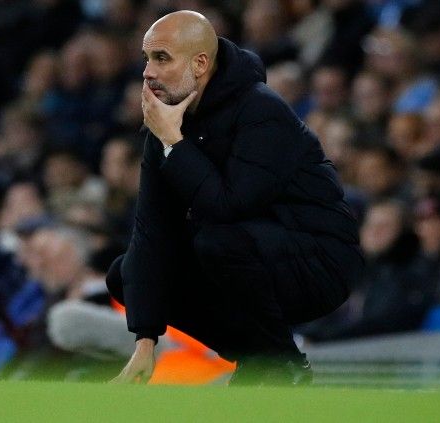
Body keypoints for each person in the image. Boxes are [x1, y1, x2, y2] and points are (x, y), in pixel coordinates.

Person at [107, 11, 363, 386]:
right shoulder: (165, 126)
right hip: (245, 253)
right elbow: (151, 232)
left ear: (200, 63)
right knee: (125, 273)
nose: (148, 72)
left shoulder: (261, 110)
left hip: (320, 261)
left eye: (161, 58)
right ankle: (262, 359)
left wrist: (174, 145)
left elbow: (230, 205)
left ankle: (277, 362)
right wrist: (145, 340)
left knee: (217, 241)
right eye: (147, 59)